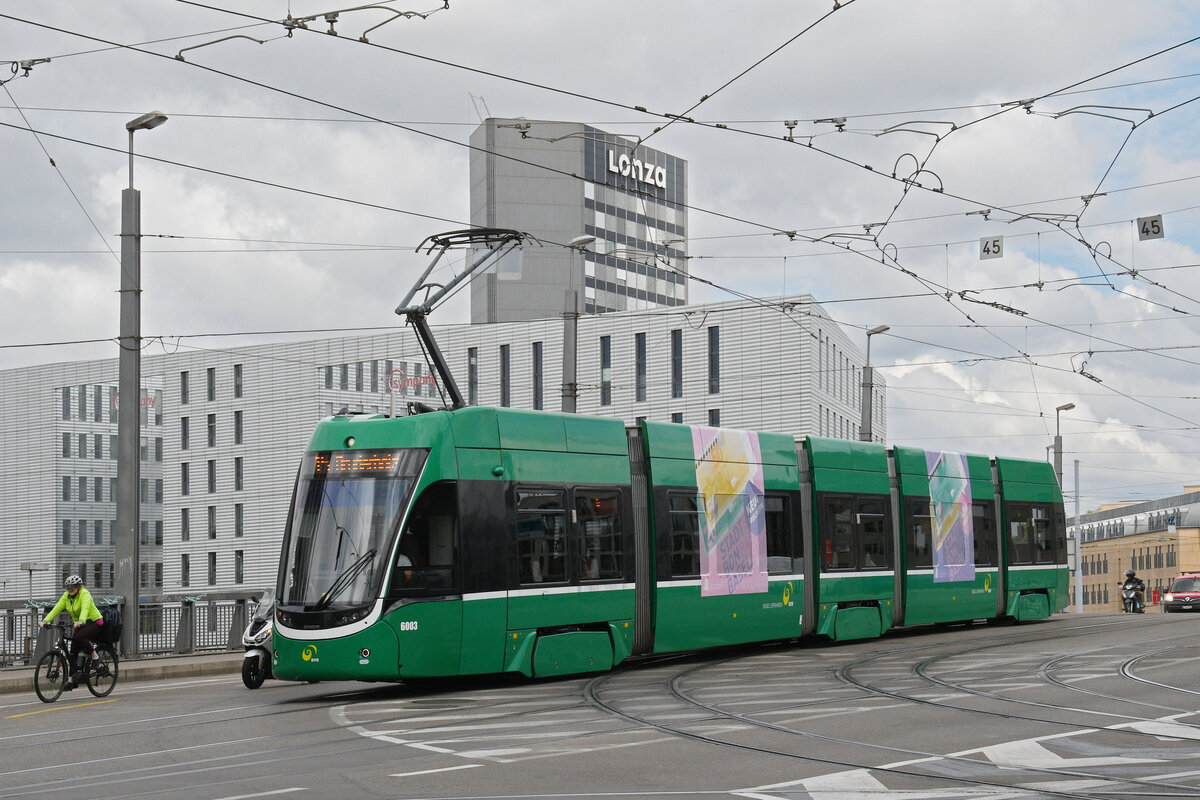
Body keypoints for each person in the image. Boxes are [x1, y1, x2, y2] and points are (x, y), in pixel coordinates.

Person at [39, 575, 104, 688]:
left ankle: (95, 656)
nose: (70, 589)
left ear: (79, 587)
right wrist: (45, 620)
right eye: (68, 587)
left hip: (94, 622)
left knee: (79, 638)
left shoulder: (85, 594)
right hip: (79, 624)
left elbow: (85, 609)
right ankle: (71, 681)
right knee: (72, 652)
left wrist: (81, 621)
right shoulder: (66, 596)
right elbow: (56, 608)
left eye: (73, 587)